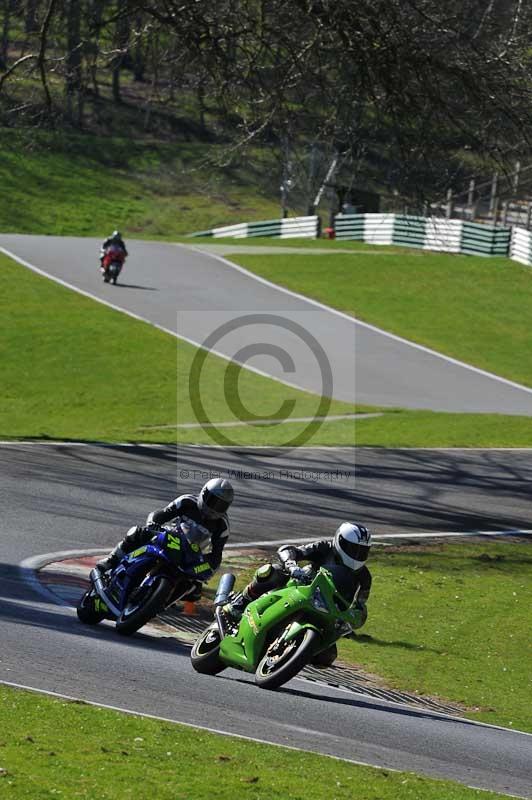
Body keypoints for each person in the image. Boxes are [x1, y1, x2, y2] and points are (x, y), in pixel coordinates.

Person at [225, 522, 372, 666]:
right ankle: (241, 602)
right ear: (340, 541)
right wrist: (291, 565)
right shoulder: (325, 547)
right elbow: (290, 550)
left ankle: (293, 653)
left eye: (362, 551)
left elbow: (360, 604)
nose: (357, 555)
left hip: (328, 611)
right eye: (353, 549)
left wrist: (355, 617)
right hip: (301, 587)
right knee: (273, 571)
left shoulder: (364, 577)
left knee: (327, 656)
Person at [95, 478, 234, 601]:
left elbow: (216, 556)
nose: (215, 508)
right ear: (204, 494)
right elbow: (160, 514)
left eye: (221, 505)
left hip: (190, 554)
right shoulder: (186, 501)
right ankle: (111, 560)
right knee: (137, 532)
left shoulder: (222, 526)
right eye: (213, 501)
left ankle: (163, 601)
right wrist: (153, 524)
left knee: (195, 589)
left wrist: (204, 568)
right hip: (169, 537)